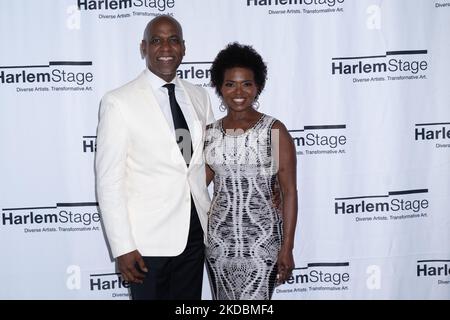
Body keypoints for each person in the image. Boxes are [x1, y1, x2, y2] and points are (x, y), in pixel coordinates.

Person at [95, 15, 214, 300]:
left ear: (184, 48)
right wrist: (123, 246)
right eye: (156, 40)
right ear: (143, 48)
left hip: (196, 232)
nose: (166, 48)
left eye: (173, 40)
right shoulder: (118, 101)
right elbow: (109, 181)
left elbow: (207, 159)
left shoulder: (199, 96)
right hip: (146, 241)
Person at [204, 42, 298, 300]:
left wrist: (287, 248)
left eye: (247, 83)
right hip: (219, 242)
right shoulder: (210, 133)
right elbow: (197, 183)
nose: (238, 91)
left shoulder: (274, 130)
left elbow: (289, 192)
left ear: (258, 87)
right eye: (230, 84)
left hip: (262, 241)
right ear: (219, 87)